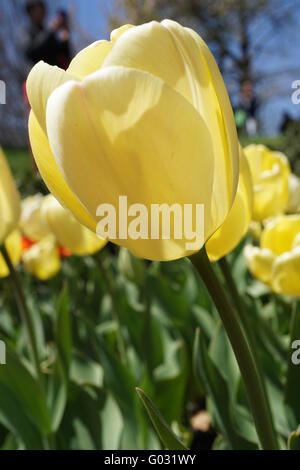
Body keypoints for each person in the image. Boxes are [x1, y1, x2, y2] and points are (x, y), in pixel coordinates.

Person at [21, 0, 71, 69]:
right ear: (30, 12)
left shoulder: (48, 33)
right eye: (39, 10)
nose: (42, 13)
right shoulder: (25, 31)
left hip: (54, 74)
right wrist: (50, 31)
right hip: (36, 76)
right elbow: (30, 52)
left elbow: (64, 56)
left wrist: (65, 41)